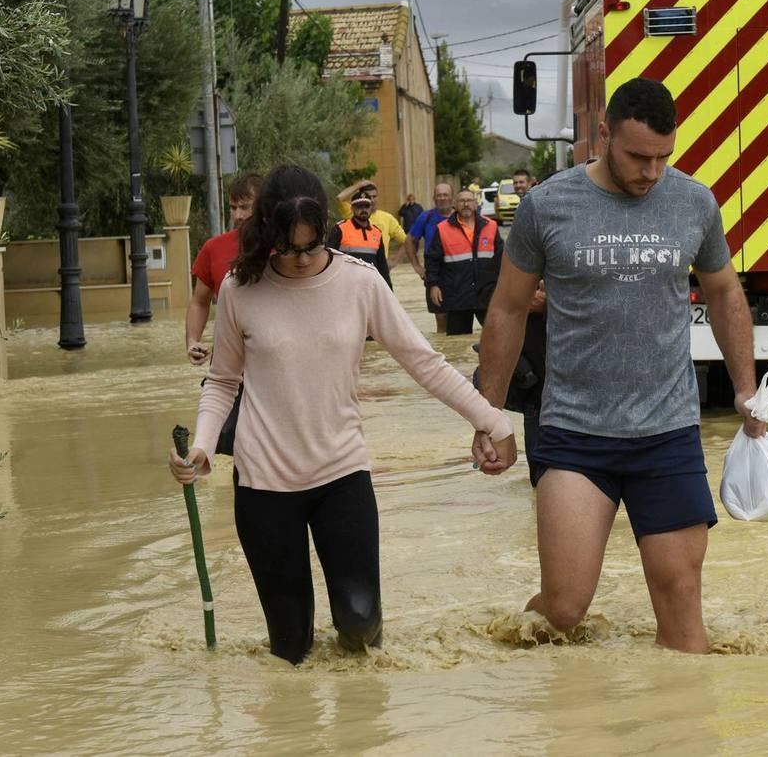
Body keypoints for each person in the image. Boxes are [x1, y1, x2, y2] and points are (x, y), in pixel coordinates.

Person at [168, 165, 514, 665]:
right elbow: (222, 383)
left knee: (359, 624)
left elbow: (423, 361)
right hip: (264, 487)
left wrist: (492, 420)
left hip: (341, 476)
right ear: (267, 236)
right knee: (290, 649)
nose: (302, 259)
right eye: (288, 249)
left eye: (312, 246)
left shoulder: (361, 282)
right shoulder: (240, 291)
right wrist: (201, 447)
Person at [472, 77, 767, 654]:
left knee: (683, 613)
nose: (651, 172)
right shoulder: (548, 205)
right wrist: (489, 416)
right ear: (603, 134)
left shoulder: (693, 201)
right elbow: (507, 308)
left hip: (667, 433)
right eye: (637, 156)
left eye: (664, 157)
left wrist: (745, 389)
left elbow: (726, 292)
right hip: (574, 433)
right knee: (563, 610)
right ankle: (512, 654)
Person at [186, 172, 263, 455]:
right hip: (230, 370)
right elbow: (199, 301)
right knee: (233, 449)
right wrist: (192, 340)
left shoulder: (284, 248)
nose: (238, 215)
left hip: (274, 368)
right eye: (233, 207)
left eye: (245, 206)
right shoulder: (214, 248)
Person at [425, 188, 502, 335]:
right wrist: (434, 285)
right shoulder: (442, 229)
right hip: (457, 296)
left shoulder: (491, 226)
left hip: (487, 295)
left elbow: (502, 258)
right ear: (454, 204)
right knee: (456, 341)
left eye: (469, 200)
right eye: (461, 201)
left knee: (496, 337)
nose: (465, 204)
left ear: (475, 204)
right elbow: (432, 261)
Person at [404, 182, 456, 333]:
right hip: (435, 273)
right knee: (441, 319)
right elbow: (409, 240)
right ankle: (444, 348)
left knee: (459, 317)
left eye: (445, 195)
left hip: (459, 272)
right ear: (434, 198)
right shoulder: (426, 217)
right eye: (439, 195)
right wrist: (417, 266)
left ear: (452, 198)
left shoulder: (461, 216)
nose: (442, 198)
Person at [328, 191, 392, 288]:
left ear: (371, 208)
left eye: (366, 206)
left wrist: (388, 290)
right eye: (359, 207)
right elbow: (329, 260)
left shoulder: (377, 232)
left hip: (370, 287)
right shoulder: (340, 228)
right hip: (346, 286)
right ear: (352, 209)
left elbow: (382, 266)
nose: (363, 210)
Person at [336, 178, 406, 260]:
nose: (372, 200)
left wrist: (394, 261)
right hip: (356, 267)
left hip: (379, 268)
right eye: (369, 196)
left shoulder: (388, 218)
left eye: (374, 196)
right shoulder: (352, 213)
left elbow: (407, 242)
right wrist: (359, 185)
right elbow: (339, 198)